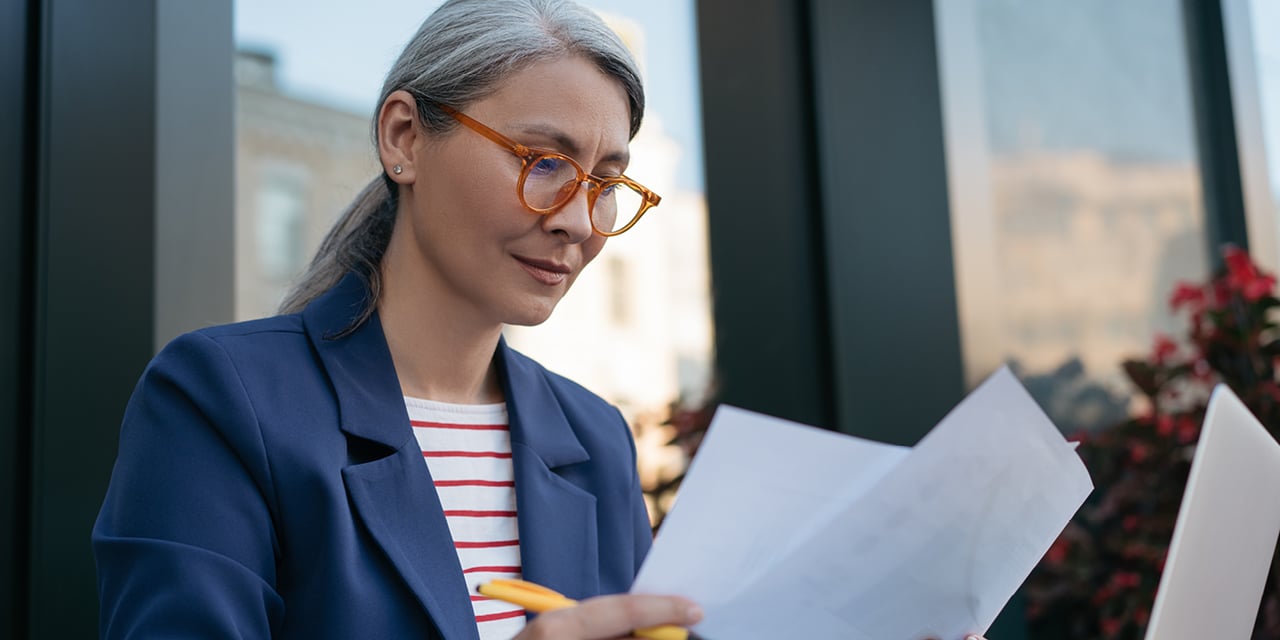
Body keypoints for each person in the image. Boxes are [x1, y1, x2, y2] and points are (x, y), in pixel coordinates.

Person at [93, 1, 993, 638]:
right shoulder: (224, 397)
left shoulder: (592, 439)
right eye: (544, 160)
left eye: (606, 182)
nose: (578, 220)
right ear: (405, 138)